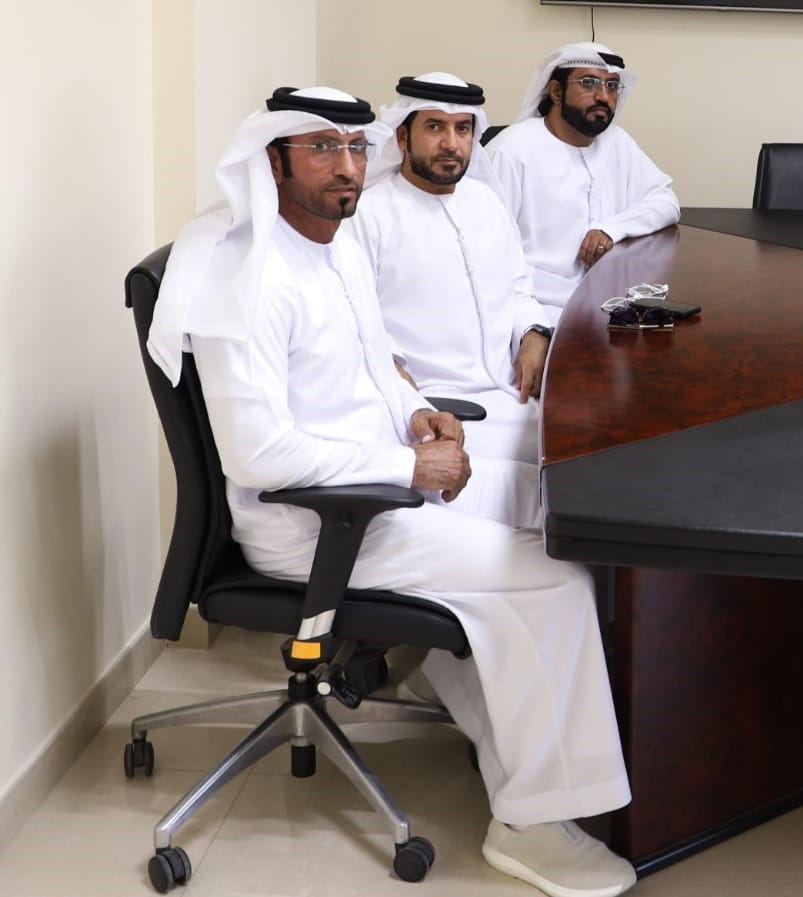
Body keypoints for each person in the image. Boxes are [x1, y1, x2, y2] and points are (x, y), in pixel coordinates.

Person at [147, 87, 636, 897]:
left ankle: (527, 745)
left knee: (545, 502)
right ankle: (532, 825)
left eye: (351, 147)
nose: (345, 166)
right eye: (321, 149)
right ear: (273, 162)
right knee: (555, 577)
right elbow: (261, 452)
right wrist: (411, 469)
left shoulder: (332, 246)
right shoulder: (254, 279)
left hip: (371, 479)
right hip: (318, 520)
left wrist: (419, 417)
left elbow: (376, 365)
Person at [350, 73, 554, 488]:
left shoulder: (486, 202)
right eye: (434, 128)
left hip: (511, 397)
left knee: (609, 443)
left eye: (463, 129)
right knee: (581, 471)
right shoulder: (368, 215)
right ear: (403, 137)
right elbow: (358, 323)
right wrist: (402, 388)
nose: (451, 143)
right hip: (441, 413)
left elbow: (518, 287)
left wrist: (534, 334)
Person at [476, 42, 679, 307]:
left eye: (612, 85)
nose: (604, 97)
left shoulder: (617, 142)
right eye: (589, 83)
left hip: (608, 301)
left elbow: (666, 201)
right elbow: (488, 254)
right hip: (537, 305)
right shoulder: (512, 150)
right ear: (556, 91)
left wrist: (611, 229)